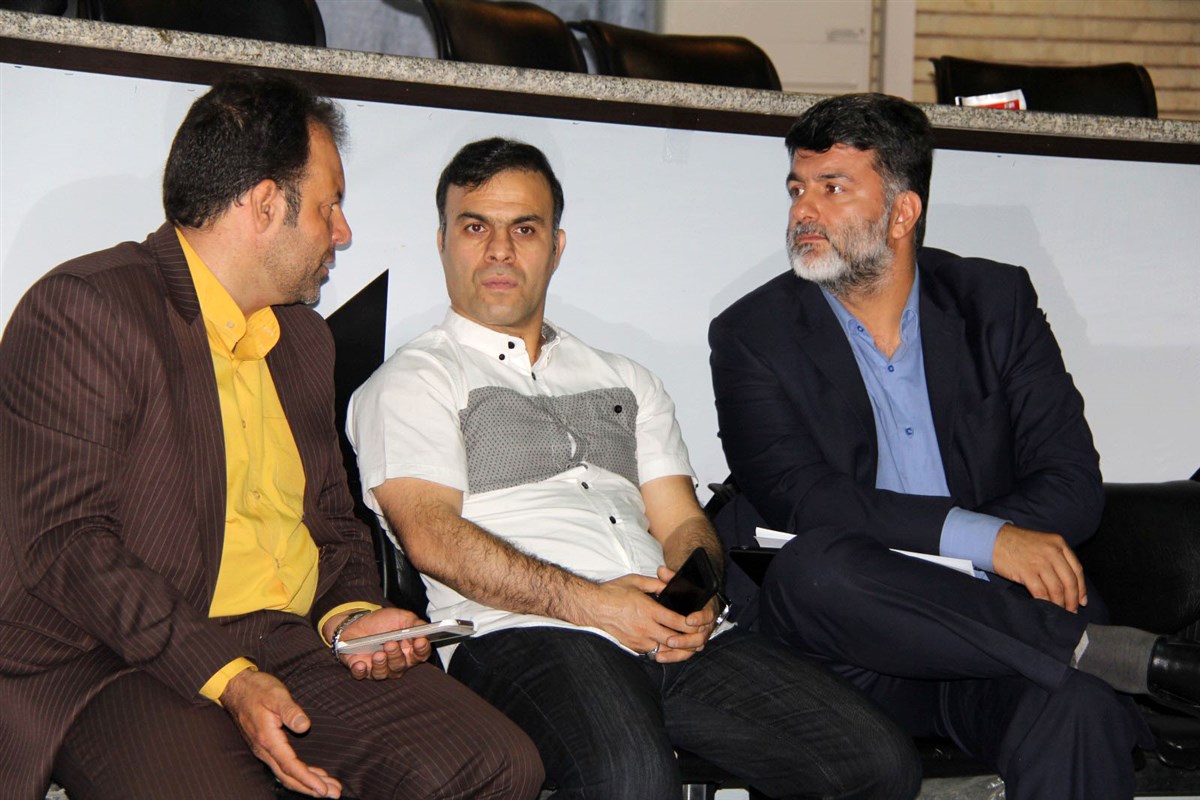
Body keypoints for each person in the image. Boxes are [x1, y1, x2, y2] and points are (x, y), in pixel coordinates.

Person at [0, 72, 543, 800]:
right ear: (264, 206)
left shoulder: (302, 340)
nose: (342, 233)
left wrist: (349, 619)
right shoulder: (88, 309)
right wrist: (227, 677)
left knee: (497, 766)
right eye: (329, 206)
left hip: (287, 641)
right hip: (120, 659)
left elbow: (334, 526)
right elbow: (67, 545)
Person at [347, 137, 922, 800]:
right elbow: (431, 537)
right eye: (476, 228)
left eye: (524, 229)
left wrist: (694, 602)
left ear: (556, 247)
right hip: (523, 634)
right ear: (443, 242)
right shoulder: (414, 381)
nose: (500, 251)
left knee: (877, 763)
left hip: (664, 631)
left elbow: (683, 524)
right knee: (633, 782)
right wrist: (596, 604)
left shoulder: (625, 378)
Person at [708, 92, 1200, 800]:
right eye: (797, 189)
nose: (802, 212)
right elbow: (801, 500)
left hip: (986, 635)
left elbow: (1070, 484)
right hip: (843, 645)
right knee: (814, 567)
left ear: (902, 212)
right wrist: (988, 539)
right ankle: (1100, 651)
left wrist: (985, 557)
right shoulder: (752, 333)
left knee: (1080, 706)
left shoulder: (994, 302)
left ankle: (1084, 662)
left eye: (832, 188)